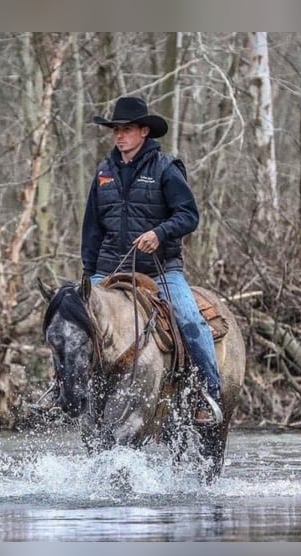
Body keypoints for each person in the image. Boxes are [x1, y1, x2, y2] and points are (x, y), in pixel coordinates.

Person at [81, 95, 222, 425]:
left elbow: (189, 215)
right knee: (75, 325)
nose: (119, 136)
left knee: (190, 321)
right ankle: (68, 392)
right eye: (115, 130)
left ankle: (208, 393)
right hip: (110, 269)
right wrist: (89, 279)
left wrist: (159, 233)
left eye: (126, 129)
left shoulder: (166, 169)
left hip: (160, 270)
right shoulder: (103, 174)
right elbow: (91, 230)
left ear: (144, 132)